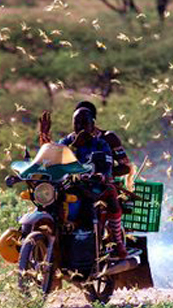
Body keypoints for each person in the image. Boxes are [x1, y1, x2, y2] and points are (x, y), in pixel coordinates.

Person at [38, 102, 130, 258]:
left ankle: (117, 241)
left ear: (92, 122)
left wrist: (102, 175)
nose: (80, 126)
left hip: (97, 183)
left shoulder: (104, 141)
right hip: (71, 183)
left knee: (111, 196)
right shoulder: (68, 141)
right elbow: (50, 155)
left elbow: (121, 166)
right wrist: (44, 135)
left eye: (84, 122)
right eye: (76, 122)